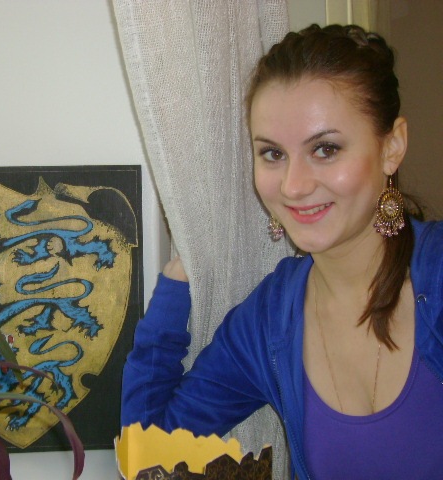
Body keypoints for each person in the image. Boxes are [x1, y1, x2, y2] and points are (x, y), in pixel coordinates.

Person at [121, 24, 443, 480]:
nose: (293, 186)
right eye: (273, 154)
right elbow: (146, 455)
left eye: (325, 149)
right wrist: (173, 293)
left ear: (392, 147)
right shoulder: (270, 321)